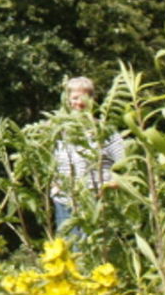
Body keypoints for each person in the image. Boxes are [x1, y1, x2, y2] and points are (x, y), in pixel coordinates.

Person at [49, 76, 125, 235]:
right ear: (68, 101)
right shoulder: (60, 131)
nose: (79, 102)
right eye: (74, 97)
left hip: (95, 202)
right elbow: (52, 163)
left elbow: (124, 166)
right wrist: (55, 185)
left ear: (92, 99)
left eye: (84, 97)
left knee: (95, 251)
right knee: (69, 252)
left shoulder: (105, 132)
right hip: (64, 202)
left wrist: (107, 187)